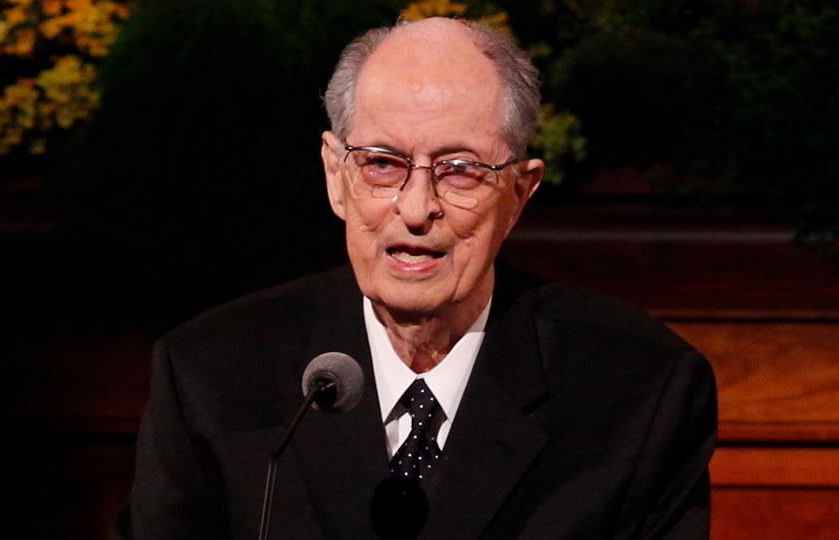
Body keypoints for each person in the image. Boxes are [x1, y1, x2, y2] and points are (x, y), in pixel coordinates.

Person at [114, 17, 716, 540]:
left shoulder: (639, 394)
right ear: (336, 177)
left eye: (459, 170)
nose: (416, 207)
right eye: (382, 164)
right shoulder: (213, 375)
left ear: (519, 192)